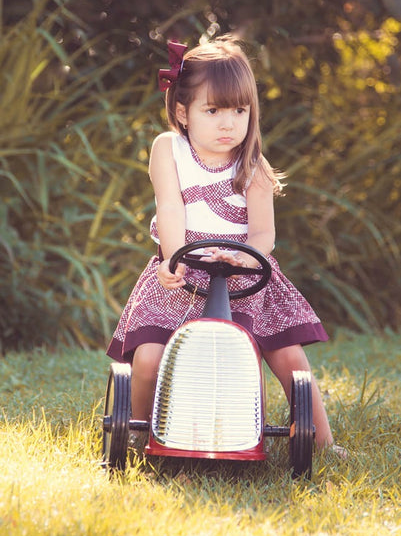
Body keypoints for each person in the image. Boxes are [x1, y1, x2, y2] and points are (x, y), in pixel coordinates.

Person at [107, 35, 344, 456]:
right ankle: (138, 434)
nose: (227, 123)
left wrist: (242, 256)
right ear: (183, 112)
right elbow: (171, 208)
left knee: (288, 355)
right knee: (147, 357)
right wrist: (172, 259)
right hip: (180, 272)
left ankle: (321, 441)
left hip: (243, 272)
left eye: (239, 110)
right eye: (212, 110)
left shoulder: (252, 163)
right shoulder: (169, 150)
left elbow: (263, 234)